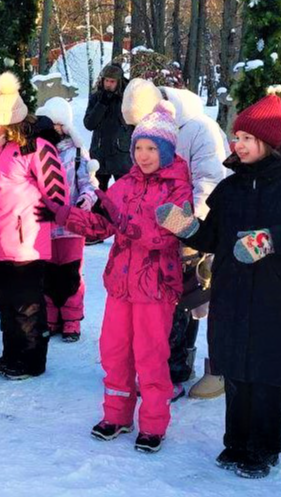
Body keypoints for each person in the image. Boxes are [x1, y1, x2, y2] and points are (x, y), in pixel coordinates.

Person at [156, 95, 281, 479]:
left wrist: (272, 239)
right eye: (236, 136)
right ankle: (236, 442)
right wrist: (187, 228)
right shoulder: (231, 188)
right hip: (234, 293)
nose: (237, 144)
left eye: (246, 138)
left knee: (266, 375)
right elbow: (214, 236)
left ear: (268, 142)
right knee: (236, 370)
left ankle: (264, 448)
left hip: (280, 297)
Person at [56, 105, 192, 453]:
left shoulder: (179, 188)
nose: (144, 156)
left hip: (156, 286)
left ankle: (153, 423)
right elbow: (104, 226)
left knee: (150, 355)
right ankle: (116, 415)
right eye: (139, 148)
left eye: (152, 149)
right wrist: (66, 214)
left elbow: (167, 236)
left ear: (166, 151)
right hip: (121, 282)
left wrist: (124, 221)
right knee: (114, 351)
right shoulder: (125, 184)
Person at [122, 78, 230, 400]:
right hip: (160, 235)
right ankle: (161, 366)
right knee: (163, 302)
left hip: (196, 233)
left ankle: (183, 369)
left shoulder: (198, 130)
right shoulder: (151, 135)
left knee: (190, 300)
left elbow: (210, 182)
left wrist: (187, 230)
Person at [0, 71, 67, 380]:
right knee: (4, 300)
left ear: (12, 120)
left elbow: (57, 189)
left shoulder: (36, 148)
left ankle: (31, 359)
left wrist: (47, 214)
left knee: (27, 305)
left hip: (26, 241)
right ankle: (11, 353)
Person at [36, 97, 98, 343]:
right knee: (48, 274)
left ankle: (71, 317)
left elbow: (89, 182)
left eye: (58, 125)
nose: (55, 130)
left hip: (71, 224)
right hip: (45, 225)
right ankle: (51, 315)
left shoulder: (77, 151)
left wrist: (86, 199)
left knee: (71, 274)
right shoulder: (39, 149)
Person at [83, 63, 133, 190]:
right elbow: (89, 124)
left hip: (121, 154)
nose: (108, 84)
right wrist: (102, 103)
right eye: (106, 80)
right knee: (97, 197)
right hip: (100, 153)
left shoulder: (127, 98)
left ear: (119, 82)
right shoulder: (96, 98)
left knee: (124, 196)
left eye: (112, 81)